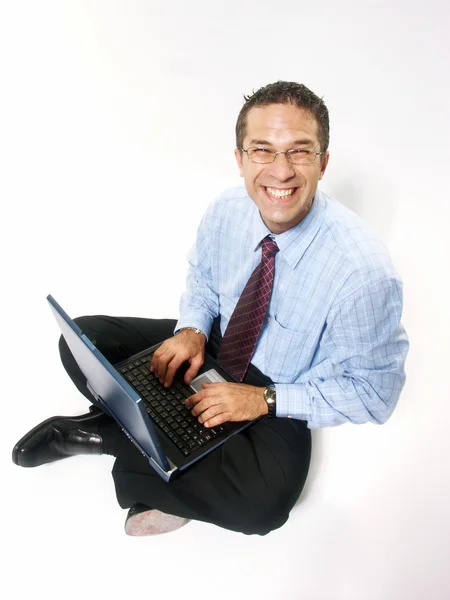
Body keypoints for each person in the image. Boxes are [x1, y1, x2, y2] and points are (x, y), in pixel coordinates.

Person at [12, 81, 409, 536]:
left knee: (264, 507)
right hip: (216, 345)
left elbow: (376, 394)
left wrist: (263, 400)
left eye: (299, 151)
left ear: (323, 162)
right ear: (240, 158)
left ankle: (102, 434)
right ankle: (168, 457)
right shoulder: (226, 208)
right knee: (83, 340)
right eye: (262, 150)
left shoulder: (364, 272)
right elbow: (202, 277)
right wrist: (192, 331)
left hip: (277, 388)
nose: (281, 172)